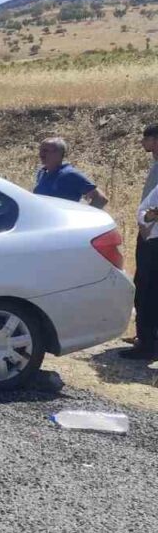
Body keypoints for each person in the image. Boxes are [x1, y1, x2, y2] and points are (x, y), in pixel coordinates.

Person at [124, 124, 158, 360]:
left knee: (147, 289)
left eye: (146, 137)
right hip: (148, 233)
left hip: (153, 238)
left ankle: (147, 344)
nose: (142, 142)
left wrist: (149, 222)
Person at [33, 137, 106, 207]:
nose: (41, 154)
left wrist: (83, 217)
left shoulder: (70, 174)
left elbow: (101, 199)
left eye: (46, 150)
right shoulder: (42, 172)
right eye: (41, 150)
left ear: (59, 153)